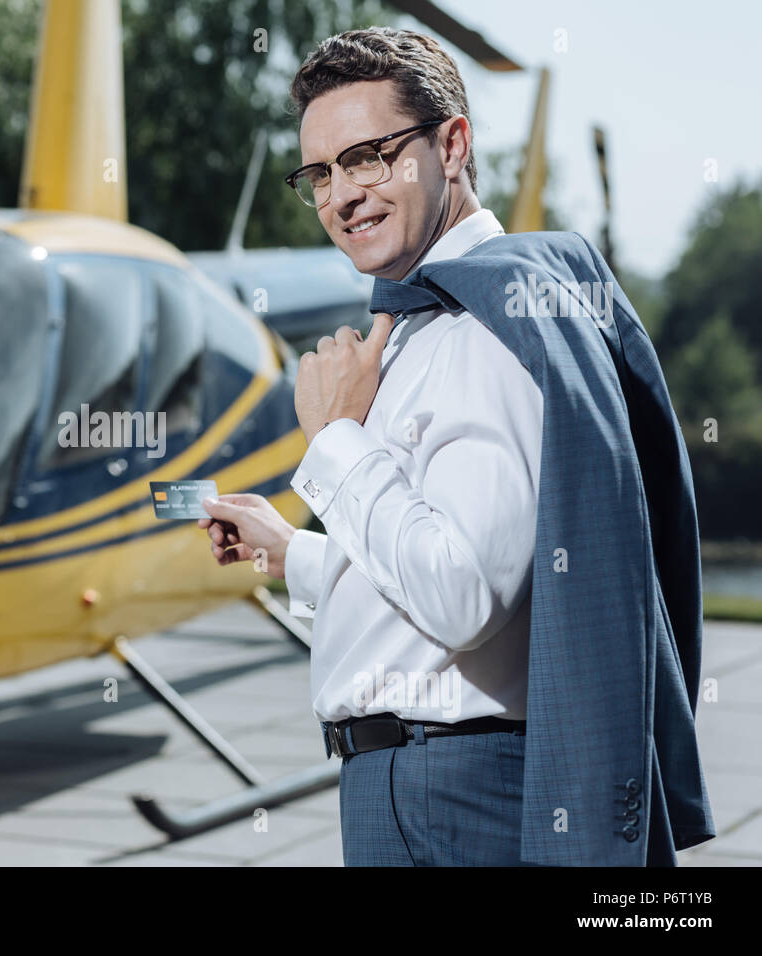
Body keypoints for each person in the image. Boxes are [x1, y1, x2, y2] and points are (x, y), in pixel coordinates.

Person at [198, 26, 713, 866]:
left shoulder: (487, 325)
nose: (341, 197)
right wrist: (293, 550)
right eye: (320, 173)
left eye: (368, 156)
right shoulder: (427, 315)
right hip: (417, 782)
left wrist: (333, 442)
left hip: (448, 795)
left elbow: (463, 595)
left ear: (453, 144)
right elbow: (431, 585)